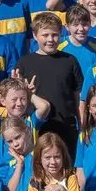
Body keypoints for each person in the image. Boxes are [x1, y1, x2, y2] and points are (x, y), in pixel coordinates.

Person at [17, 13, 82, 154]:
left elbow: (78, 97)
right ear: (35, 35)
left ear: (61, 34)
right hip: (38, 128)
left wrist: (81, 125)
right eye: (45, 35)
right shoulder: (25, 63)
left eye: (55, 35)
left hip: (66, 127)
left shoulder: (70, 60)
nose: (50, 39)